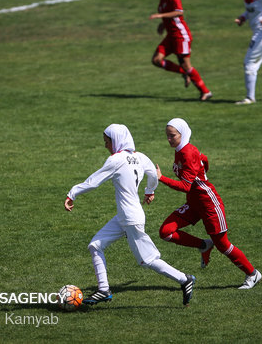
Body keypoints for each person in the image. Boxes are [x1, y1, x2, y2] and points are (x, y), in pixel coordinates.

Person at [64, 124, 196, 306]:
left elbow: (94, 181)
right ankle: (103, 290)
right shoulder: (140, 157)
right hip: (125, 217)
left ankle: (184, 279)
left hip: (131, 220)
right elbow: (153, 174)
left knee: (148, 260)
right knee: (95, 245)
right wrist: (150, 190)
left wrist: (73, 193)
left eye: (107, 142)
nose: (106, 146)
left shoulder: (116, 160)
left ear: (116, 140)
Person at [156, 118, 262, 290]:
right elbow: (203, 159)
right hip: (194, 203)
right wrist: (202, 172)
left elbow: (185, 186)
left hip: (208, 204)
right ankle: (204, 245)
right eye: (167, 135)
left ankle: (252, 274)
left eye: (172, 136)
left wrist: (161, 178)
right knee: (166, 232)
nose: (169, 139)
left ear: (182, 134)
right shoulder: (181, 149)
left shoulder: (187, 153)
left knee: (222, 244)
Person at [149, 0, 213, 101]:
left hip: (180, 35)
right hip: (170, 37)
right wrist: (162, 24)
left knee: (187, 65)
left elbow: (179, 11)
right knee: (156, 60)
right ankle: (184, 73)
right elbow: (169, 15)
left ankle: (205, 92)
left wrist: (160, 16)